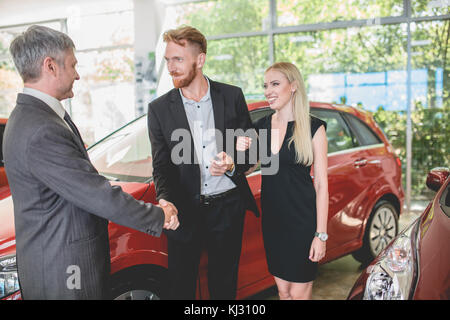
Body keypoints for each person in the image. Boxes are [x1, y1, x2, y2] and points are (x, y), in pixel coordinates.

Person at [3, 25, 179, 300]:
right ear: (50, 66)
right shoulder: (41, 128)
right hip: (64, 271)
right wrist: (159, 215)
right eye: (72, 65)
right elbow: (95, 193)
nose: (77, 74)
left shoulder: (34, 117)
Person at [147, 26, 259, 300]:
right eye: (168, 60)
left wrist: (233, 164)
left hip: (228, 207)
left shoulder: (232, 97)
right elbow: (161, 165)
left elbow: (251, 151)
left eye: (178, 59)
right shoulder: (159, 109)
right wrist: (164, 199)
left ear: (200, 60)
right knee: (181, 286)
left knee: (224, 284)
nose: (171, 67)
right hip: (184, 210)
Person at [237, 62, 328, 300]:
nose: (268, 91)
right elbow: (245, 167)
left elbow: (321, 185)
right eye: (265, 85)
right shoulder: (262, 126)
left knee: (299, 293)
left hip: (302, 224)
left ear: (294, 86)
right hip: (273, 223)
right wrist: (238, 149)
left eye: (275, 84)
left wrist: (320, 235)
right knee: (283, 292)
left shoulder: (313, 128)